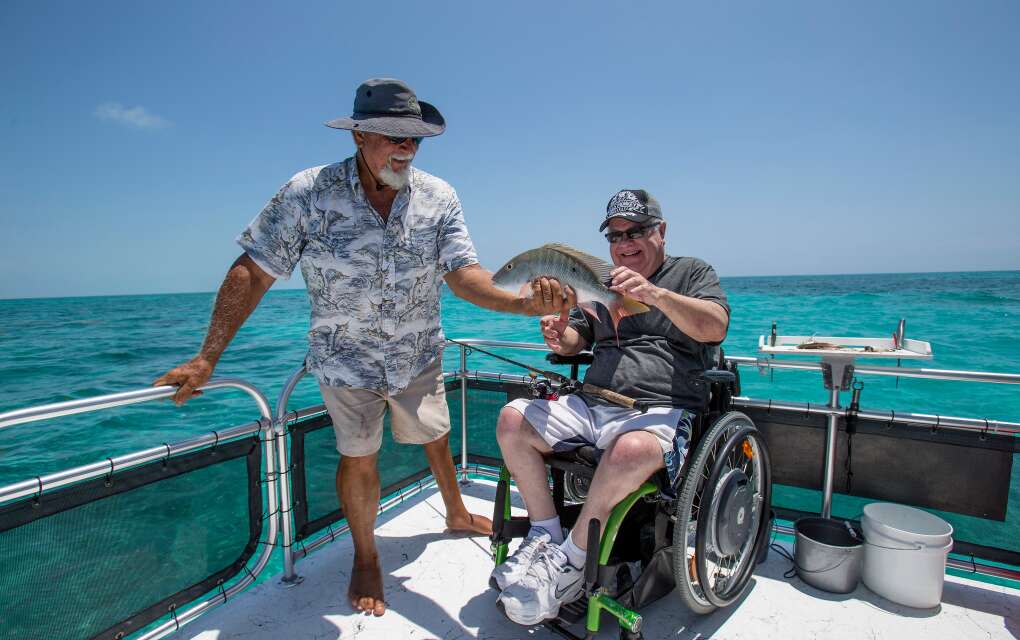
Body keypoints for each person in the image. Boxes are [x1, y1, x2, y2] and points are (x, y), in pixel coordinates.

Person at [154, 78, 571, 617]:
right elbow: (253, 271)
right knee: (359, 456)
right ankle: (367, 555)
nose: (406, 149)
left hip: (418, 352)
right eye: (393, 136)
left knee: (436, 431)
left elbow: (465, 275)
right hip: (343, 359)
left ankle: (454, 511)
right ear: (359, 136)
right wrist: (209, 355)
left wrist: (521, 305)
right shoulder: (308, 191)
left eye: (415, 140)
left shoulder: (440, 197)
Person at [491, 189, 730, 625]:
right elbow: (574, 341)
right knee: (512, 420)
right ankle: (544, 534)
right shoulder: (601, 282)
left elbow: (714, 327)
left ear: (661, 231)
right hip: (594, 402)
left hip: (662, 408)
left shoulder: (692, 272)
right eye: (615, 234)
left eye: (636, 230)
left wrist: (656, 295)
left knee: (631, 450)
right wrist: (556, 332)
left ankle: (571, 560)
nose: (625, 241)